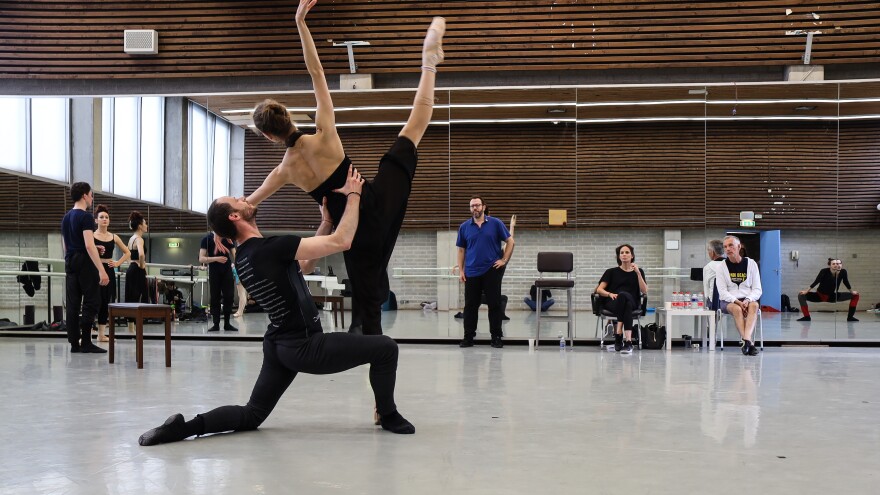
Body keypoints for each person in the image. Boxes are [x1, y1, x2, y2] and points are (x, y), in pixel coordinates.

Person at [138, 166, 415, 446]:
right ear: (235, 216)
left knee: (252, 414)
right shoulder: (270, 248)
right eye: (237, 200)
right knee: (385, 349)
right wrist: (354, 196)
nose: (245, 198)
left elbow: (304, 266)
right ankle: (388, 415)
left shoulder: (246, 256)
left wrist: (327, 221)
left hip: (278, 345)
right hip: (304, 346)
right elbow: (343, 241)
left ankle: (183, 428)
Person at [217, 1, 445, 337]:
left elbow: (245, 208)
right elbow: (316, 72)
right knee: (412, 130)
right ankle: (429, 66)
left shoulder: (284, 171)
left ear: (267, 135)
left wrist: (220, 234)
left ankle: (372, 357)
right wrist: (300, 22)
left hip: (354, 232)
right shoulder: (325, 133)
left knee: (368, 316)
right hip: (374, 198)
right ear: (288, 115)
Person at [456, 196, 515, 348]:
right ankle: (468, 337)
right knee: (470, 306)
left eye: (477, 205)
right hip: (471, 272)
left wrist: (504, 260)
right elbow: (461, 250)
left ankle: (496, 337)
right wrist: (461, 270)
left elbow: (510, 241)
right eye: (472, 206)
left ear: (483, 206)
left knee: (494, 305)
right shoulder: (464, 227)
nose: (474, 208)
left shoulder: (495, 223)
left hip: (491, 270)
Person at [61, 182, 109, 353]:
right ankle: (87, 342)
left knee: (73, 303)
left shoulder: (66, 217)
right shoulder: (86, 217)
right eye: (91, 194)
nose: (92, 197)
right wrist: (102, 270)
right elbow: (89, 245)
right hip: (84, 262)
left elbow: (67, 245)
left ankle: (74, 343)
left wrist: (92, 248)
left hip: (70, 261)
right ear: (84, 196)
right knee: (92, 300)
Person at [595, 244, 648, 354]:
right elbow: (599, 290)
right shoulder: (611, 272)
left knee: (624, 296)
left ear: (632, 256)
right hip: (613, 302)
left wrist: (638, 273)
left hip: (633, 302)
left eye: (627, 252)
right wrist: (609, 294)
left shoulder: (639, 271)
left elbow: (644, 291)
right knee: (625, 300)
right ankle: (628, 342)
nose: (624, 255)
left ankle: (618, 333)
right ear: (619, 257)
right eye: (622, 253)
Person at [714, 236, 762, 356]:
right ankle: (750, 343)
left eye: (731, 245)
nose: (728, 249)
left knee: (754, 306)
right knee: (737, 309)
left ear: (739, 247)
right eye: (725, 247)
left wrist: (747, 299)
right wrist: (737, 301)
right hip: (729, 301)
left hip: (747, 299)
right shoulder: (721, 267)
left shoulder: (751, 264)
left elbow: (757, 289)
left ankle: (746, 341)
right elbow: (722, 292)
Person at [93, 204, 131, 342]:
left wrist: (117, 263)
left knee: (105, 301)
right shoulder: (91, 235)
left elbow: (127, 252)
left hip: (109, 269)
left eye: (106, 217)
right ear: (96, 220)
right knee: (92, 301)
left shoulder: (114, 237)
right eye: (101, 217)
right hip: (95, 269)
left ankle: (101, 334)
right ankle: (85, 333)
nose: (104, 219)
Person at [797, 258, 860, 322]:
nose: (836, 265)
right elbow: (816, 281)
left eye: (838, 263)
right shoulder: (824, 271)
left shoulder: (843, 272)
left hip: (832, 296)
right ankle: (807, 317)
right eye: (834, 264)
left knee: (855, 295)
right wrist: (806, 291)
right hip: (819, 295)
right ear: (830, 265)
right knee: (801, 295)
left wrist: (852, 292)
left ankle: (850, 317)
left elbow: (846, 282)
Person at [200, 232, 238, 332]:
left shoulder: (228, 238)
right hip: (214, 271)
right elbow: (201, 258)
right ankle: (216, 324)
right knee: (215, 297)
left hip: (227, 270)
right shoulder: (207, 239)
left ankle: (227, 323)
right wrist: (217, 258)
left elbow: (235, 254)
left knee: (229, 296)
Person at [125, 211, 149, 332]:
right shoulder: (139, 239)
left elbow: (128, 254)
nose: (146, 225)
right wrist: (142, 264)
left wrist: (131, 263)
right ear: (140, 226)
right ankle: (137, 327)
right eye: (145, 223)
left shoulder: (131, 239)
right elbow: (141, 254)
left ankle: (131, 328)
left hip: (131, 269)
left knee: (131, 297)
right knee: (140, 296)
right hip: (138, 270)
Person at [703, 239, 725, 310]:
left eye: (708, 251)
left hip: (714, 303)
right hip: (730, 302)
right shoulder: (730, 264)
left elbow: (706, 290)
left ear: (712, 252)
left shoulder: (708, 267)